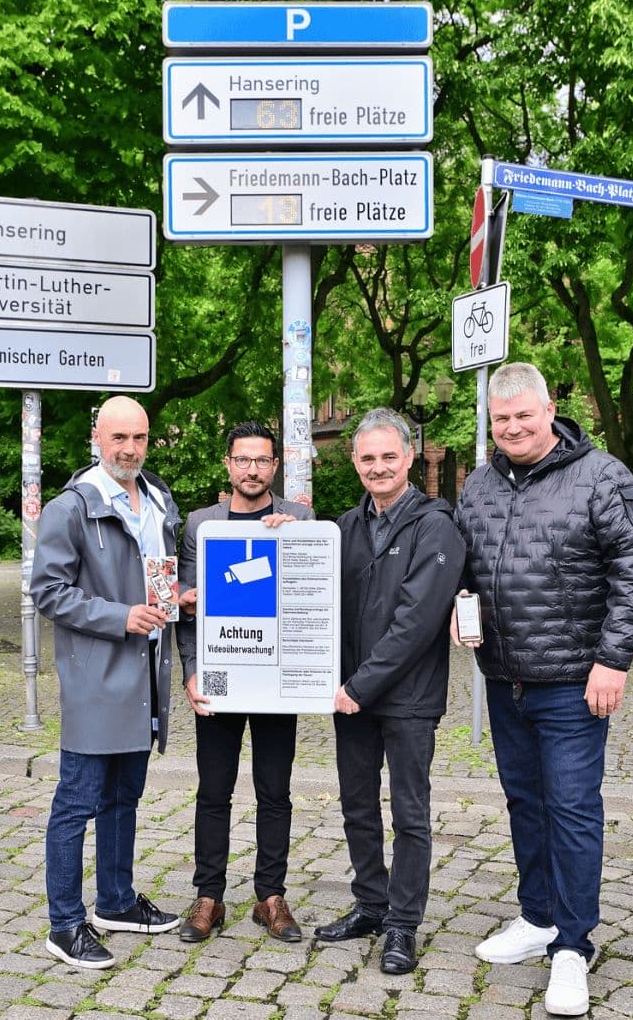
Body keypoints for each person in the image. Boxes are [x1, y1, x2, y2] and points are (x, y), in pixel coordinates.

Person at [453, 363, 633, 1016]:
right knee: (526, 803)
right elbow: (462, 565)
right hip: (505, 678)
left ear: (549, 411)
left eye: (524, 415)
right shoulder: (479, 485)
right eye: (501, 418)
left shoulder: (602, 476)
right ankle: (538, 917)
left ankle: (573, 946)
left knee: (571, 809)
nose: (513, 427)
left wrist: (614, 659)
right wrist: (463, 609)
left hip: (574, 682)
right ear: (492, 420)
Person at [31, 395, 181, 970]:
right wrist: (119, 616)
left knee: (125, 797)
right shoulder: (70, 508)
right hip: (98, 677)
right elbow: (48, 592)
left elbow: (160, 579)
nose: (130, 449)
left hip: (147, 672)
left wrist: (177, 600)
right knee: (77, 802)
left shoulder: (158, 499)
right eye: (119, 438)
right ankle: (64, 923)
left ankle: (116, 902)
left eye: (139, 438)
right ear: (97, 437)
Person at [314, 408, 465, 975]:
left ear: (409, 457)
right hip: (350, 695)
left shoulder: (435, 526)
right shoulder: (344, 529)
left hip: (405, 697)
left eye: (388, 456)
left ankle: (403, 924)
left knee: (409, 812)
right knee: (357, 806)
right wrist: (284, 537)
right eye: (367, 457)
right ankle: (371, 905)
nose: (378, 467)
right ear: (355, 462)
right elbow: (313, 593)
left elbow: (417, 620)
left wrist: (360, 685)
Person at [176, 421, 314, 944]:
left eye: (262, 460)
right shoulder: (201, 525)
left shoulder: (298, 518)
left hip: (275, 679)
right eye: (243, 460)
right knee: (214, 790)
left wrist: (296, 543)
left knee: (274, 792)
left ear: (274, 466)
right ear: (229, 465)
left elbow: (311, 596)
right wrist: (190, 671)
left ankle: (270, 896)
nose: (252, 469)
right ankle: (208, 895)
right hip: (220, 677)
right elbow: (187, 604)